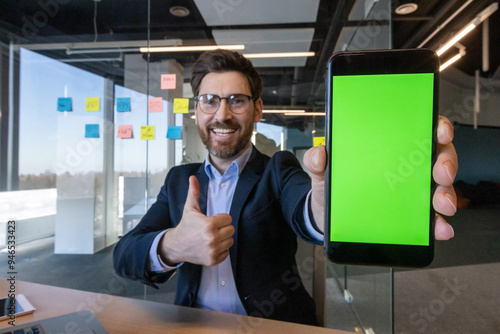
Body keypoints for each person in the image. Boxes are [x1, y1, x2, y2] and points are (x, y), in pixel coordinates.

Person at [113, 50, 458, 326]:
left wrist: (328, 208)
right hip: (195, 325)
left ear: (258, 109)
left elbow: (306, 210)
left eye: (237, 100)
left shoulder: (277, 169)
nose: (222, 114)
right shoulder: (178, 180)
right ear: (196, 111)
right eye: (209, 100)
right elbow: (124, 256)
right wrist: (173, 244)